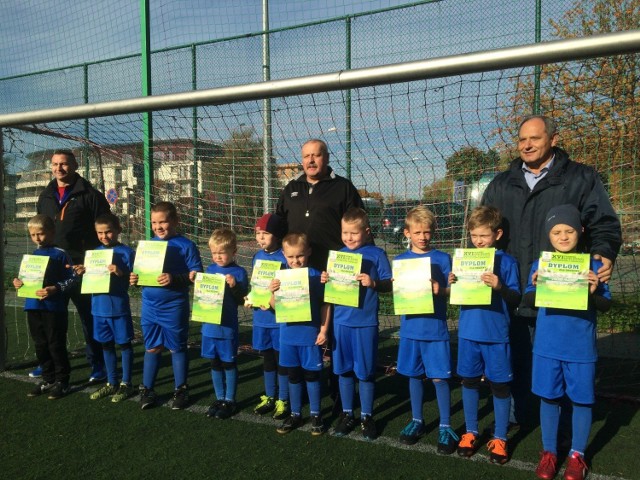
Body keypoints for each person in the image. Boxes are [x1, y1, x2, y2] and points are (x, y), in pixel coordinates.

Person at [481, 115, 622, 426]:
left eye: (535, 138)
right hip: (515, 291)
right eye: (522, 140)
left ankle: (566, 426)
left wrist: (603, 253)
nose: (527, 145)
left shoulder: (581, 178)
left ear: (553, 140)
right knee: (517, 358)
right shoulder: (501, 183)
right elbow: (483, 233)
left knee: (562, 364)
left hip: (563, 297)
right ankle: (522, 417)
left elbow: (604, 224)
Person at [276, 138, 364, 411]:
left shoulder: (343, 187)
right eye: (306, 156)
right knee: (303, 333)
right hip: (298, 277)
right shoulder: (291, 188)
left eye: (316, 155)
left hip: (333, 274)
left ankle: (340, 391)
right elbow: (279, 229)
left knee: (333, 332)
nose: (311, 161)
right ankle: (301, 390)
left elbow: (357, 225)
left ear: (326, 157)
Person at [524, 205, 611, 480]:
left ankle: (577, 454)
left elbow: (605, 305)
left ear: (580, 231)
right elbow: (527, 301)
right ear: (549, 235)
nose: (563, 236)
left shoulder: (593, 265)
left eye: (569, 230)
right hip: (547, 346)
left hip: (580, 348)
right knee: (549, 397)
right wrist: (536, 287)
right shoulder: (541, 265)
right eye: (557, 231)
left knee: (582, 401)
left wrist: (595, 290)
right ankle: (549, 452)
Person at [448, 206, 521, 464]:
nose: (478, 241)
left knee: (499, 385)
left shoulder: (507, 262)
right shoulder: (464, 260)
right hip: (468, 333)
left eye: (484, 235)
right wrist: (453, 284)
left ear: (497, 234)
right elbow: (453, 296)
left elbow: (516, 297)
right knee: (468, 381)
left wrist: (499, 286)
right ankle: (470, 431)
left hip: (496, 335)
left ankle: (500, 437)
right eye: (474, 235)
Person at [37, 149, 112, 382]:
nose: (59, 168)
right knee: (53, 321)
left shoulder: (91, 195)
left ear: (75, 165)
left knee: (90, 319)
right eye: (55, 164)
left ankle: (97, 364)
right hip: (53, 268)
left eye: (64, 164)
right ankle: (50, 363)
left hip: (83, 268)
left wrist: (96, 261)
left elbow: (104, 228)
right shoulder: (45, 196)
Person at [321, 208, 392, 440]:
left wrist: (373, 283)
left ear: (367, 232)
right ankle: (348, 413)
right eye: (345, 233)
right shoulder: (338, 255)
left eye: (354, 233)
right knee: (343, 370)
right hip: (340, 324)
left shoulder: (377, 254)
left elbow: (390, 285)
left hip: (365, 324)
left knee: (366, 372)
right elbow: (330, 294)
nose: (349, 238)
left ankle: (367, 416)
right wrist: (326, 280)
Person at [394, 206, 458, 454]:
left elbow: (452, 292)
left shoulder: (442, 258)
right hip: (410, 330)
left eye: (427, 232)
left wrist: (441, 290)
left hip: (435, 330)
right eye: (418, 232)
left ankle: (445, 424)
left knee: (440, 377)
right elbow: (397, 294)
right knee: (413, 375)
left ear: (434, 232)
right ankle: (417, 420)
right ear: (408, 233)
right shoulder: (399, 261)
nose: (423, 237)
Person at [130, 201, 203, 410]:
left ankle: (181, 389)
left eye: (163, 222)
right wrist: (135, 279)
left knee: (176, 347)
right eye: (154, 222)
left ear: (175, 221)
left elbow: (195, 275)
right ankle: (147, 389)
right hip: (150, 306)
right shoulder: (147, 246)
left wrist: (175, 278)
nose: (158, 226)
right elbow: (140, 275)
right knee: (151, 347)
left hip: (174, 306)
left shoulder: (186, 245)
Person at [269, 233, 331, 435]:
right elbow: (274, 308)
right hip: (287, 336)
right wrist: (272, 292)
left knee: (312, 375)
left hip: (309, 336)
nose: (295, 261)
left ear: (308, 253)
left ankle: (316, 414)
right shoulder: (280, 278)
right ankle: (295, 414)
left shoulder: (316, 276)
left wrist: (323, 330)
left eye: (300, 256)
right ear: (284, 255)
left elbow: (325, 304)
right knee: (293, 376)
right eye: (291, 257)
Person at [74, 213, 136, 403]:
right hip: (98, 309)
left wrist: (120, 272)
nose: (104, 236)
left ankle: (126, 383)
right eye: (100, 233)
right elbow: (91, 278)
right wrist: (83, 271)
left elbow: (135, 279)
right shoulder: (95, 254)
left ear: (118, 230)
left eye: (108, 232)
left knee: (124, 344)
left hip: (118, 308)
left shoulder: (127, 252)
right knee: (106, 345)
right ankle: (111, 382)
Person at [13, 214, 76, 400]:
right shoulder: (32, 255)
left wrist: (55, 288)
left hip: (53, 307)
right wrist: (18, 282)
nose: (37, 238)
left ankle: (62, 381)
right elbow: (24, 279)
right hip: (32, 305)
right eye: (33, 235)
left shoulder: (60, 254)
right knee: (40, 345)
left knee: (56, 344)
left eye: (40, 234)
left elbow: (73, 279)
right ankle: (48, 379)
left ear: (51, 232)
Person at [198, 228, 249, 420]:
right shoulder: (210, 270)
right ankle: (219, 398)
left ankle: (230, 400)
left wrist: (235, 286)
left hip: (227, 327)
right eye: (214, 253)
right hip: (209, 326)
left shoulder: (239, 272)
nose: (217, 257)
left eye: (222, 253)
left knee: (229, 362)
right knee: (215, 362)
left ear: (234, 252)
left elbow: (243, 300)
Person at [247, 214, 290, 420]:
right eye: (258, 233)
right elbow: (256, 285)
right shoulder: (257, 257)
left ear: (278, 235)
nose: (260, 237)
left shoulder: (285, 257)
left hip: (279, 320)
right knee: (267, 359)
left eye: (265, 233)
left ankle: (284, 398)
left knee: (282, 360)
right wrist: (250, 297)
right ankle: (269, 396)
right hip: (261, 319)